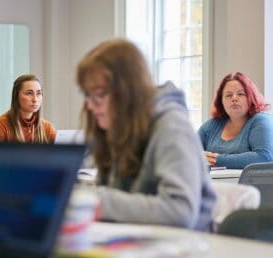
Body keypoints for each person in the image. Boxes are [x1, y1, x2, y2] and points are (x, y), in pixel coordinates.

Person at [76, 38, 216, 231]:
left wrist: (98, 201)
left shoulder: (171, 126)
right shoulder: (119, 128)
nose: (90, 106)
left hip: (188, 250)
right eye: (88, 95)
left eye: (99, 94)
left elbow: (180, 211)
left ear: (127, 91)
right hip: (139, 243)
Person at [198, 72, 273, 169]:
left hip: (249, 184)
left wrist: (217, 159)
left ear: (251, 97)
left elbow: (264, 158)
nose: (234, 98)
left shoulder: (261, 121)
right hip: (212, 183)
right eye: (228, 95)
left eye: (241, 94)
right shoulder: (212, 125)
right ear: (221, 101)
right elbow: (187, 151)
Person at [0, 74, 56, 143]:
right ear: (16, 96)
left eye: (39, 93)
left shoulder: (47, 127)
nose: (35, 99)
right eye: (29, 93)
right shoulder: (0, 125)